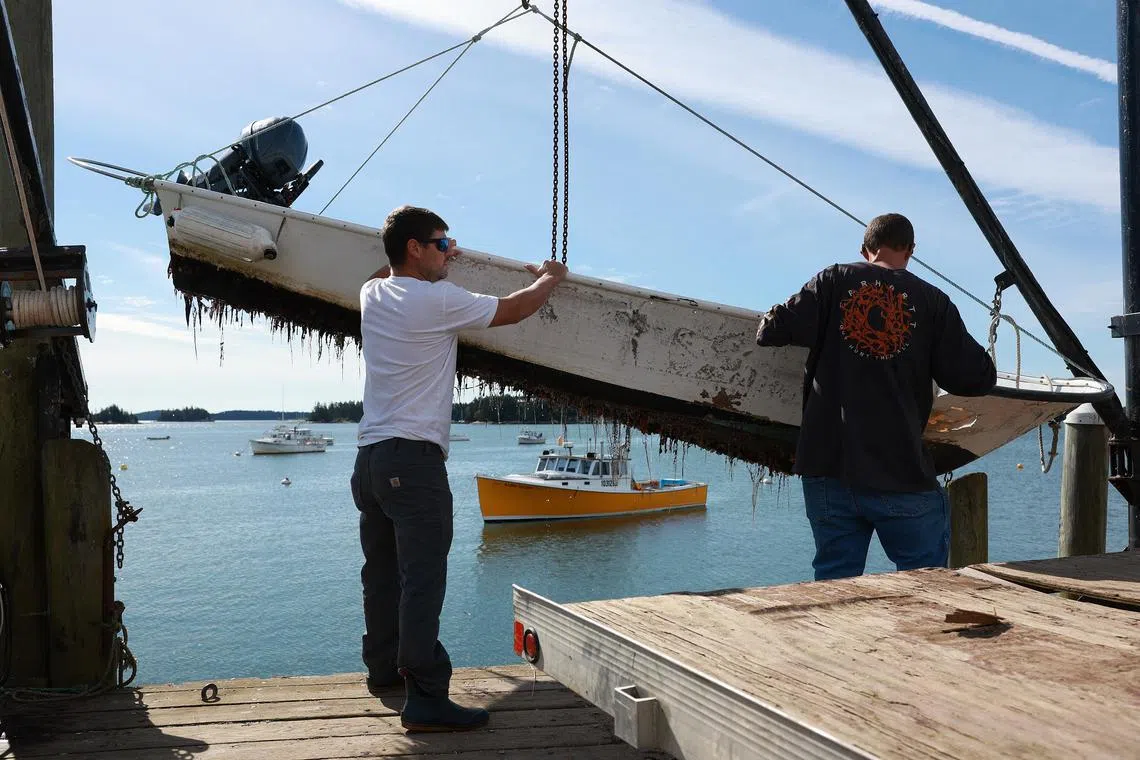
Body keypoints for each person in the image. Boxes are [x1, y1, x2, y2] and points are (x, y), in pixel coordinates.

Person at [351, 205, 568, 731]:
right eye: (441, 242)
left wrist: (442, 257)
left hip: (371, 462)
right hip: (414, 461)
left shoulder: (371, 295)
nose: (449, 249)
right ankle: (424, 696)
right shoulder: (438, 301)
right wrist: (549, 278)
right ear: (414, 248)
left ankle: (383, 671)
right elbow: (514, 310)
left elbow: (382, 275)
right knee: (422, 579)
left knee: (381, 572)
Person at [755, 213, 995, 581]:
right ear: (910, 251)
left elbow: (771, 331)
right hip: (900, 471)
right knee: (927, 583)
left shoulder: (834, 280)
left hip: (827, 468)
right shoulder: (933, 302)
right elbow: (977, 377)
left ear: (865, 249)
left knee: (834, 586)